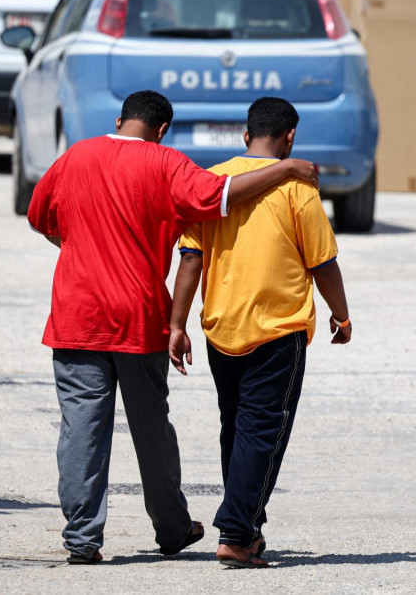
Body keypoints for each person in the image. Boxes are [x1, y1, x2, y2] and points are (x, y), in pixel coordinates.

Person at [26, 90, 320, 564]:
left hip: (75, 315)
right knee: (151, 430)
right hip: (138, 318)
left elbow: (40, 216)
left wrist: (78, 248)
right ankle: (172, 528)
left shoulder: (75, 155)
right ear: (162, 129)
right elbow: (220, 194)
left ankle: (82, 538)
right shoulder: (165, 163)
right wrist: (285, 169)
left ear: (119, 121)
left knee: (81, 429)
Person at [169, 96, 352, 568]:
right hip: (277, 330)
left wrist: (177, 323)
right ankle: (236, 532)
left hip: (221, 326)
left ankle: (246, 527)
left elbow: (191, 258)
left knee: (237, 428)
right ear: (290, 137)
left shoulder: (213, 181)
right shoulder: (297, 186)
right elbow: (323, 262)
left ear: (245, 135)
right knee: (262, 432)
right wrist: (342, 314)